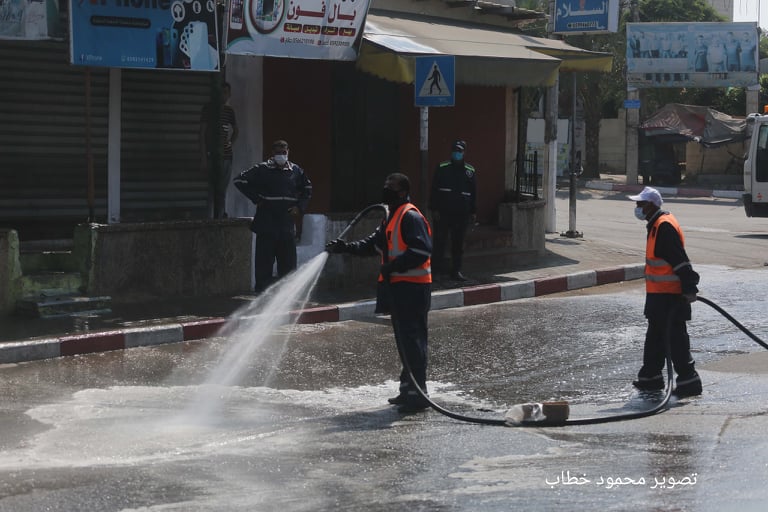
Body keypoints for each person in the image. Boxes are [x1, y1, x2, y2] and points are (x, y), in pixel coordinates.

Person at [326, 173, 433, 412]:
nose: (386, 191)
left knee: (413, 341)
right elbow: (373, 244)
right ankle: (408, 389)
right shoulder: (391, 217)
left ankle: (418, 392)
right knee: (404, 341)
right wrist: (346, 248)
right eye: (385, 187)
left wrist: (394, 266)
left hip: (412, 289)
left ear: (403, 192)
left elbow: (422, 250)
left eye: (391, 188)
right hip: (397, 288)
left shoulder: (410, 216)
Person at [628, 186, 702, 398]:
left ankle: (690, 382)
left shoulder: (664, 227)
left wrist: (689, 287)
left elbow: (680, 261)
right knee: (655, 339)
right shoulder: (655, 225)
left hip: (670, 297)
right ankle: (650, 379)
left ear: (651, 205)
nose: (637, 208)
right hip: (659, 296)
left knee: (676, 341)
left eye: (640, 204)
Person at [234, 140, 312, 293]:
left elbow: (307, 189)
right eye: (278, 152)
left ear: (288, 152)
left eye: (284, 152)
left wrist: (299, 207)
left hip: (286, 224)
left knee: (288, 264)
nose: (281, 155)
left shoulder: (296, 170)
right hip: (267, 223)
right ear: (272, 153)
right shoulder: (262, 169)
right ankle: (262, 295)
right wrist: (257, 199)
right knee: (264, 262)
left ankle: (286, 296)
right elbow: (239, 180)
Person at [429, 139, 476, 281]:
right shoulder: (442, 167)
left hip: (461, 214)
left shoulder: (470, 171)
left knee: (458, 244)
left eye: (460, 151)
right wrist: (434, 209)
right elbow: (434, 189)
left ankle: (456, 271)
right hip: (443, 213)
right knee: (439, 243)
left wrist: (473, 212)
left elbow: (473, 192)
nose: (457, 153)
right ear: (451, 152)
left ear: (464, 152)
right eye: (455, 150)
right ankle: (435, 272)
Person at [200, 81, 239, 219]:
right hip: (212, 155)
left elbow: (236, 131)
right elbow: (202, 133)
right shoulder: (208, 109)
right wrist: (204, 157)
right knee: (212, 189)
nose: (224, 96)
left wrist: (230, 143)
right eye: (221, 92)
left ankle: (220, 216)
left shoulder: (230, 111)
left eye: (226, 93)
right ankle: (210, 218)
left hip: (226, 156)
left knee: (222, 189)